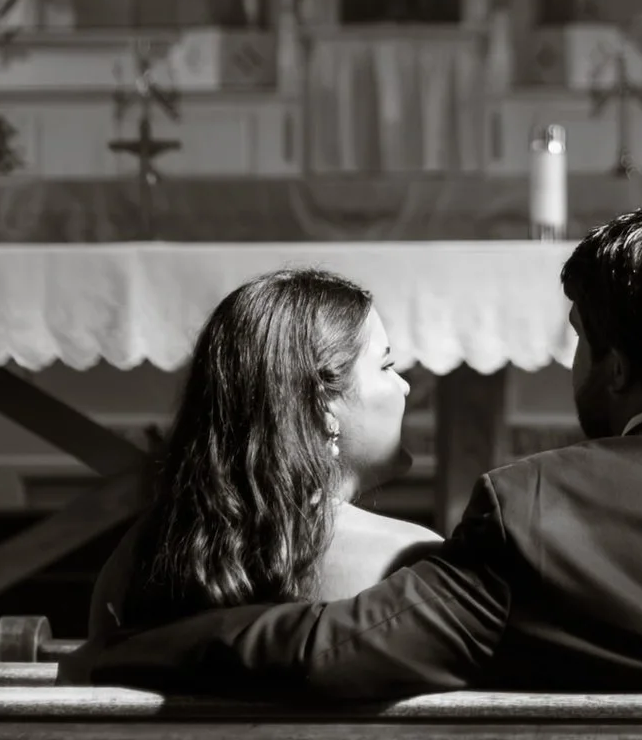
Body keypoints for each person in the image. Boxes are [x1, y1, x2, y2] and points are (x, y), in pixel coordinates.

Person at [69, 200, 642, 696]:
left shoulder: (539, 509)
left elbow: (319, 649)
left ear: (616, 366)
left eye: (581, 340)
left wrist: (131, 652)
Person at [82, 267, 437, 642]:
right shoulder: (410, 562)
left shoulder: (133, 562)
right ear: (322, 406)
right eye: (385, 365)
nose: (404, 386)